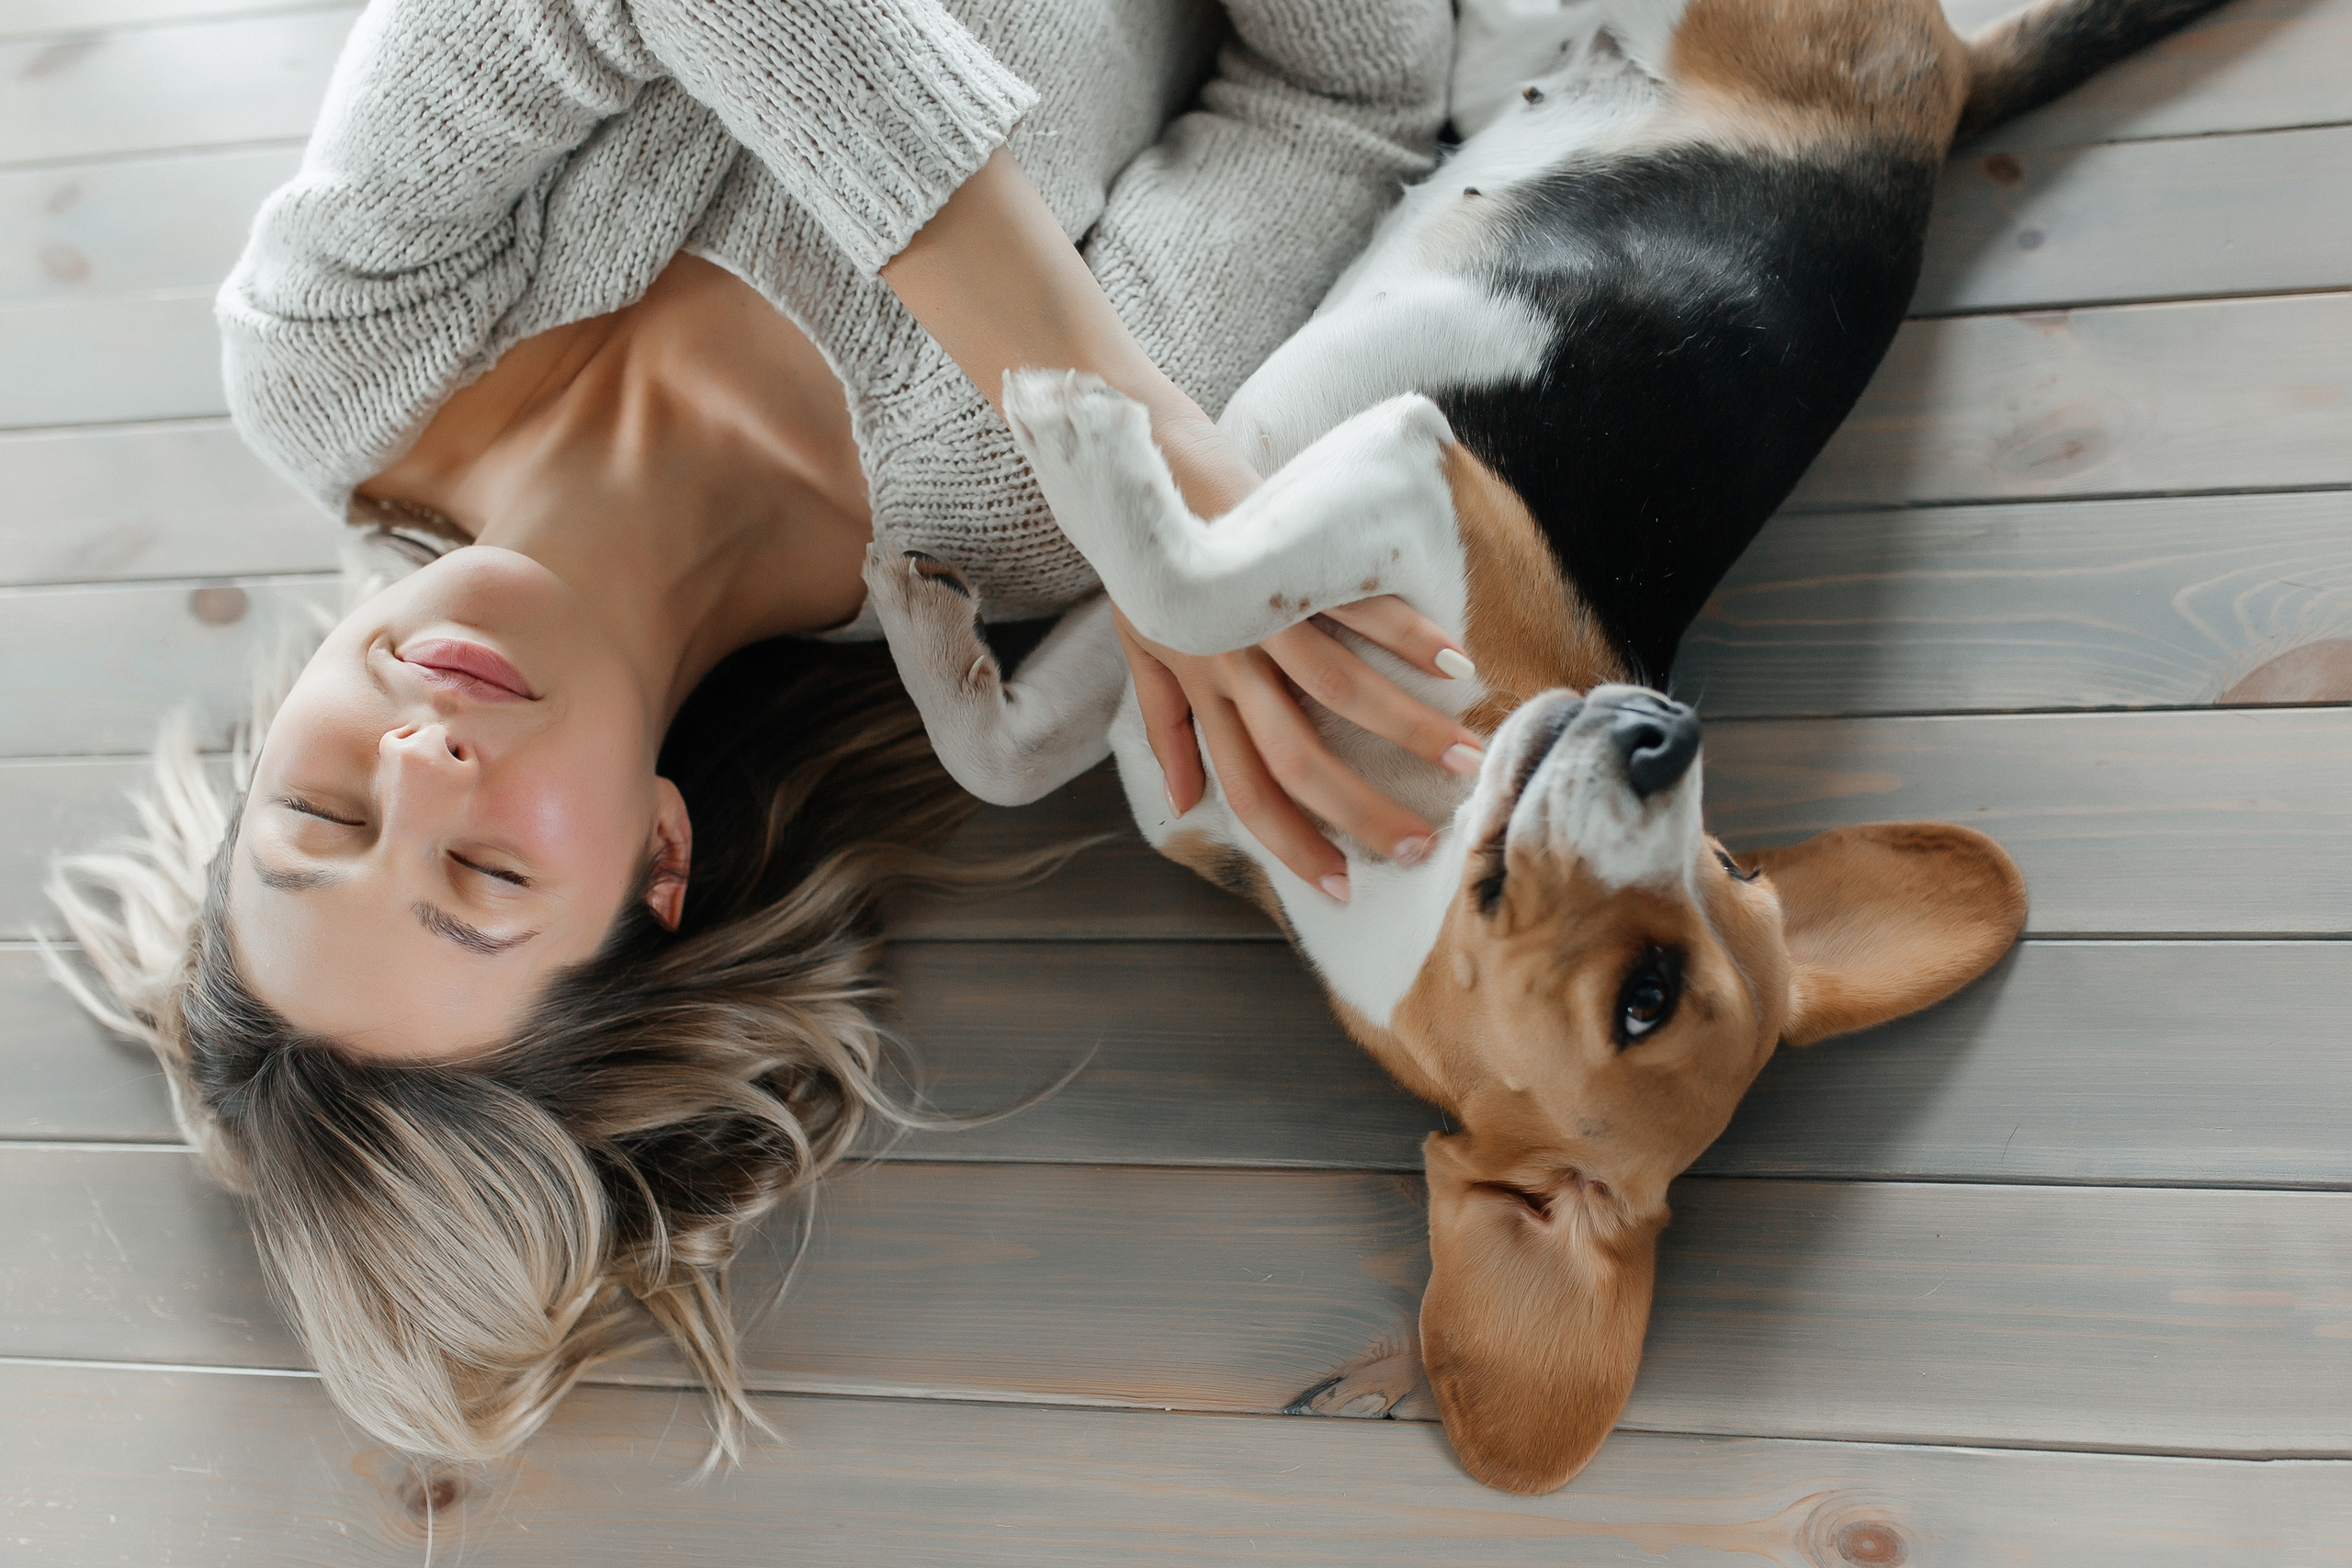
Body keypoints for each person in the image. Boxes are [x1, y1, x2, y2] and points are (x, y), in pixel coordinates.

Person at [48, 0, 1460, 1469]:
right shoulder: (1012, 513)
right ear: (661, 857)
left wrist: (1104, 417)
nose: (415, 767)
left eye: (320, 817)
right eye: (482, 877)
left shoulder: (339, 354)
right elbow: (1341, 105)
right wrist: (1092, 451)